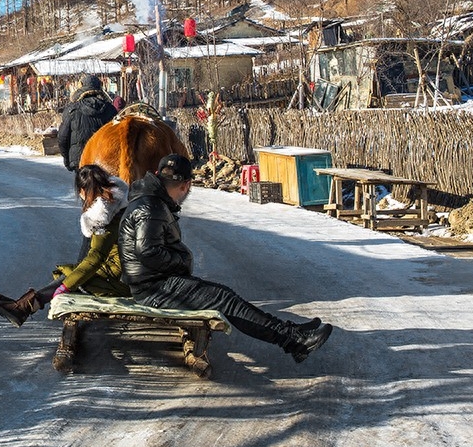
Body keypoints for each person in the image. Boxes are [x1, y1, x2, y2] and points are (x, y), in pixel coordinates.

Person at [118, 153, 333, 363]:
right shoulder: (151, 206)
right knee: (226, 300)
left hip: (154, 283)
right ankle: (295, 341)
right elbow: (147, 251)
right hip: (154, 289)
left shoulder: (151, 201)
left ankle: (291, 332)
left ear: (158, 173)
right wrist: (181, 262)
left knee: (225, 297)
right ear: (186, 185)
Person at [0, 165, 129, 326]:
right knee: (74, 273)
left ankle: (24, 306)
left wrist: (66, 287)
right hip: (127, 268)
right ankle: (24, 306)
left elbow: (96, 258)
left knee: (74, 276)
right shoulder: (120, 201)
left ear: (83, 191)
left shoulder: (103, 215)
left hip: (122, 278)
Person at [56, 75, 118, 173]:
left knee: (85, 187)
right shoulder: (110, 110)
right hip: (104, 160)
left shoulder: (72, 110)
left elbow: (63, 138)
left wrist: (67, 159)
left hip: (80, 161)